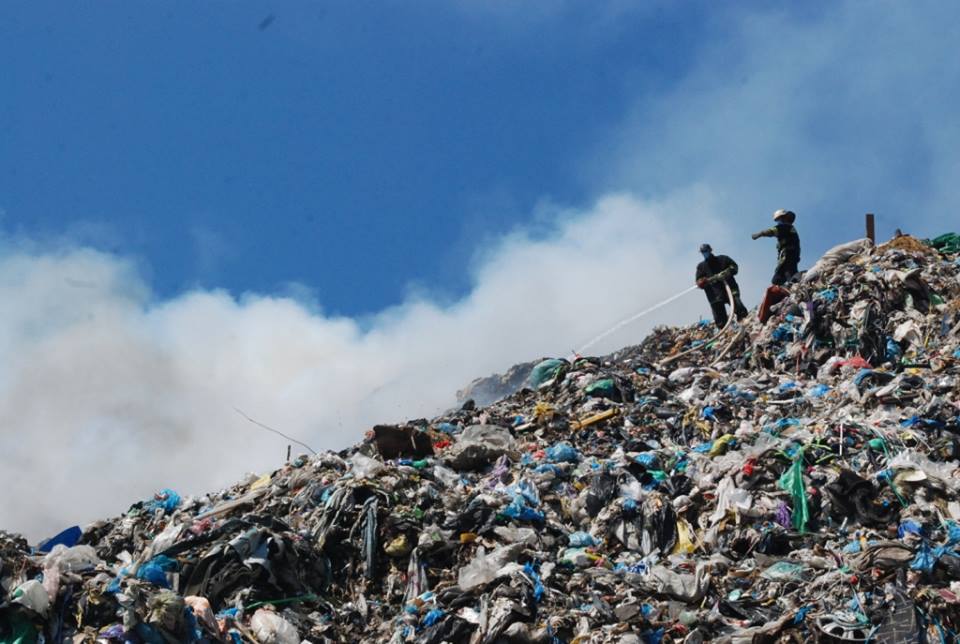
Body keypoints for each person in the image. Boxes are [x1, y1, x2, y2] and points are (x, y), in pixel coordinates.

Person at [696, 243, 749, 328]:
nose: (704, 253)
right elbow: (698, 281)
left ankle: (744, 322)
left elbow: (734, 267)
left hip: (730, 288)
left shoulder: (723, 259)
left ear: (710, 250)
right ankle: (724, 330)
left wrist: (726, 273)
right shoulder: (701, 267)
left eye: (706, 251)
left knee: (737, 305)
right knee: (719, 316)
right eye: (703, 252)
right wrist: (701, 282)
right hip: (715, 295)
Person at [752, 209, 801, 285]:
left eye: (779, 220)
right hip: (784, 258)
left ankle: (798, 285)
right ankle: (788, 292)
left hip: (789, 255)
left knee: (789, 273)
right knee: (776, 280)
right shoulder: (786, 230)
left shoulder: (787, 227)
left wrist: (760, 234)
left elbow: (774, 230)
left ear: (784, 218)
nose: (779, 223)